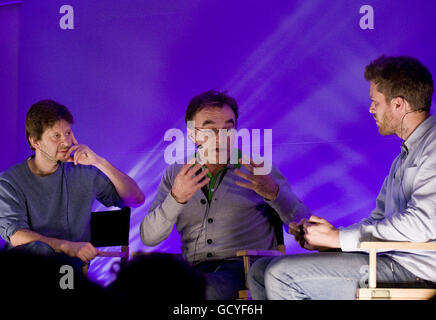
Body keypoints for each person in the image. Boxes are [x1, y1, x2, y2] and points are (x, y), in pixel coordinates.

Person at [247, 55, 436, 300]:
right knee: (259, 272)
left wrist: (339, 238)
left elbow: (423, 222)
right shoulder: (403, 156)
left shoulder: (433, 146)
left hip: (415, 269)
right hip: (387, 257)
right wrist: (331, 239)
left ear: (398, 105)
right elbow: (378, 220)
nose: (371, 109)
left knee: (281, 275)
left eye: (375, 102)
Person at [140, 90, 311, 299]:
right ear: (192, 133)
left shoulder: (257, 169)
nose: (220, 138)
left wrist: (273, 193)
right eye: (210, 130)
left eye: (228, 129)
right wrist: (176, 199)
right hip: (190, 268)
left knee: (201, 291)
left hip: (246, 269)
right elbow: (149, 237)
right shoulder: (177, 173)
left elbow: (305, 224)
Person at [0, 100, 145, 270]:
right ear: (35, 142)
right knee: (39, 251)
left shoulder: (84, 171)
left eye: (68, 133)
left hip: (67, 274)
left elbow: (136, 199)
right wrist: (66, 246)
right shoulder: (9, 182)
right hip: (26, 270)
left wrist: (99, 162)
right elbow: (16, 236)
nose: (66, 142)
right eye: (56, 136)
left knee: (67, 277)